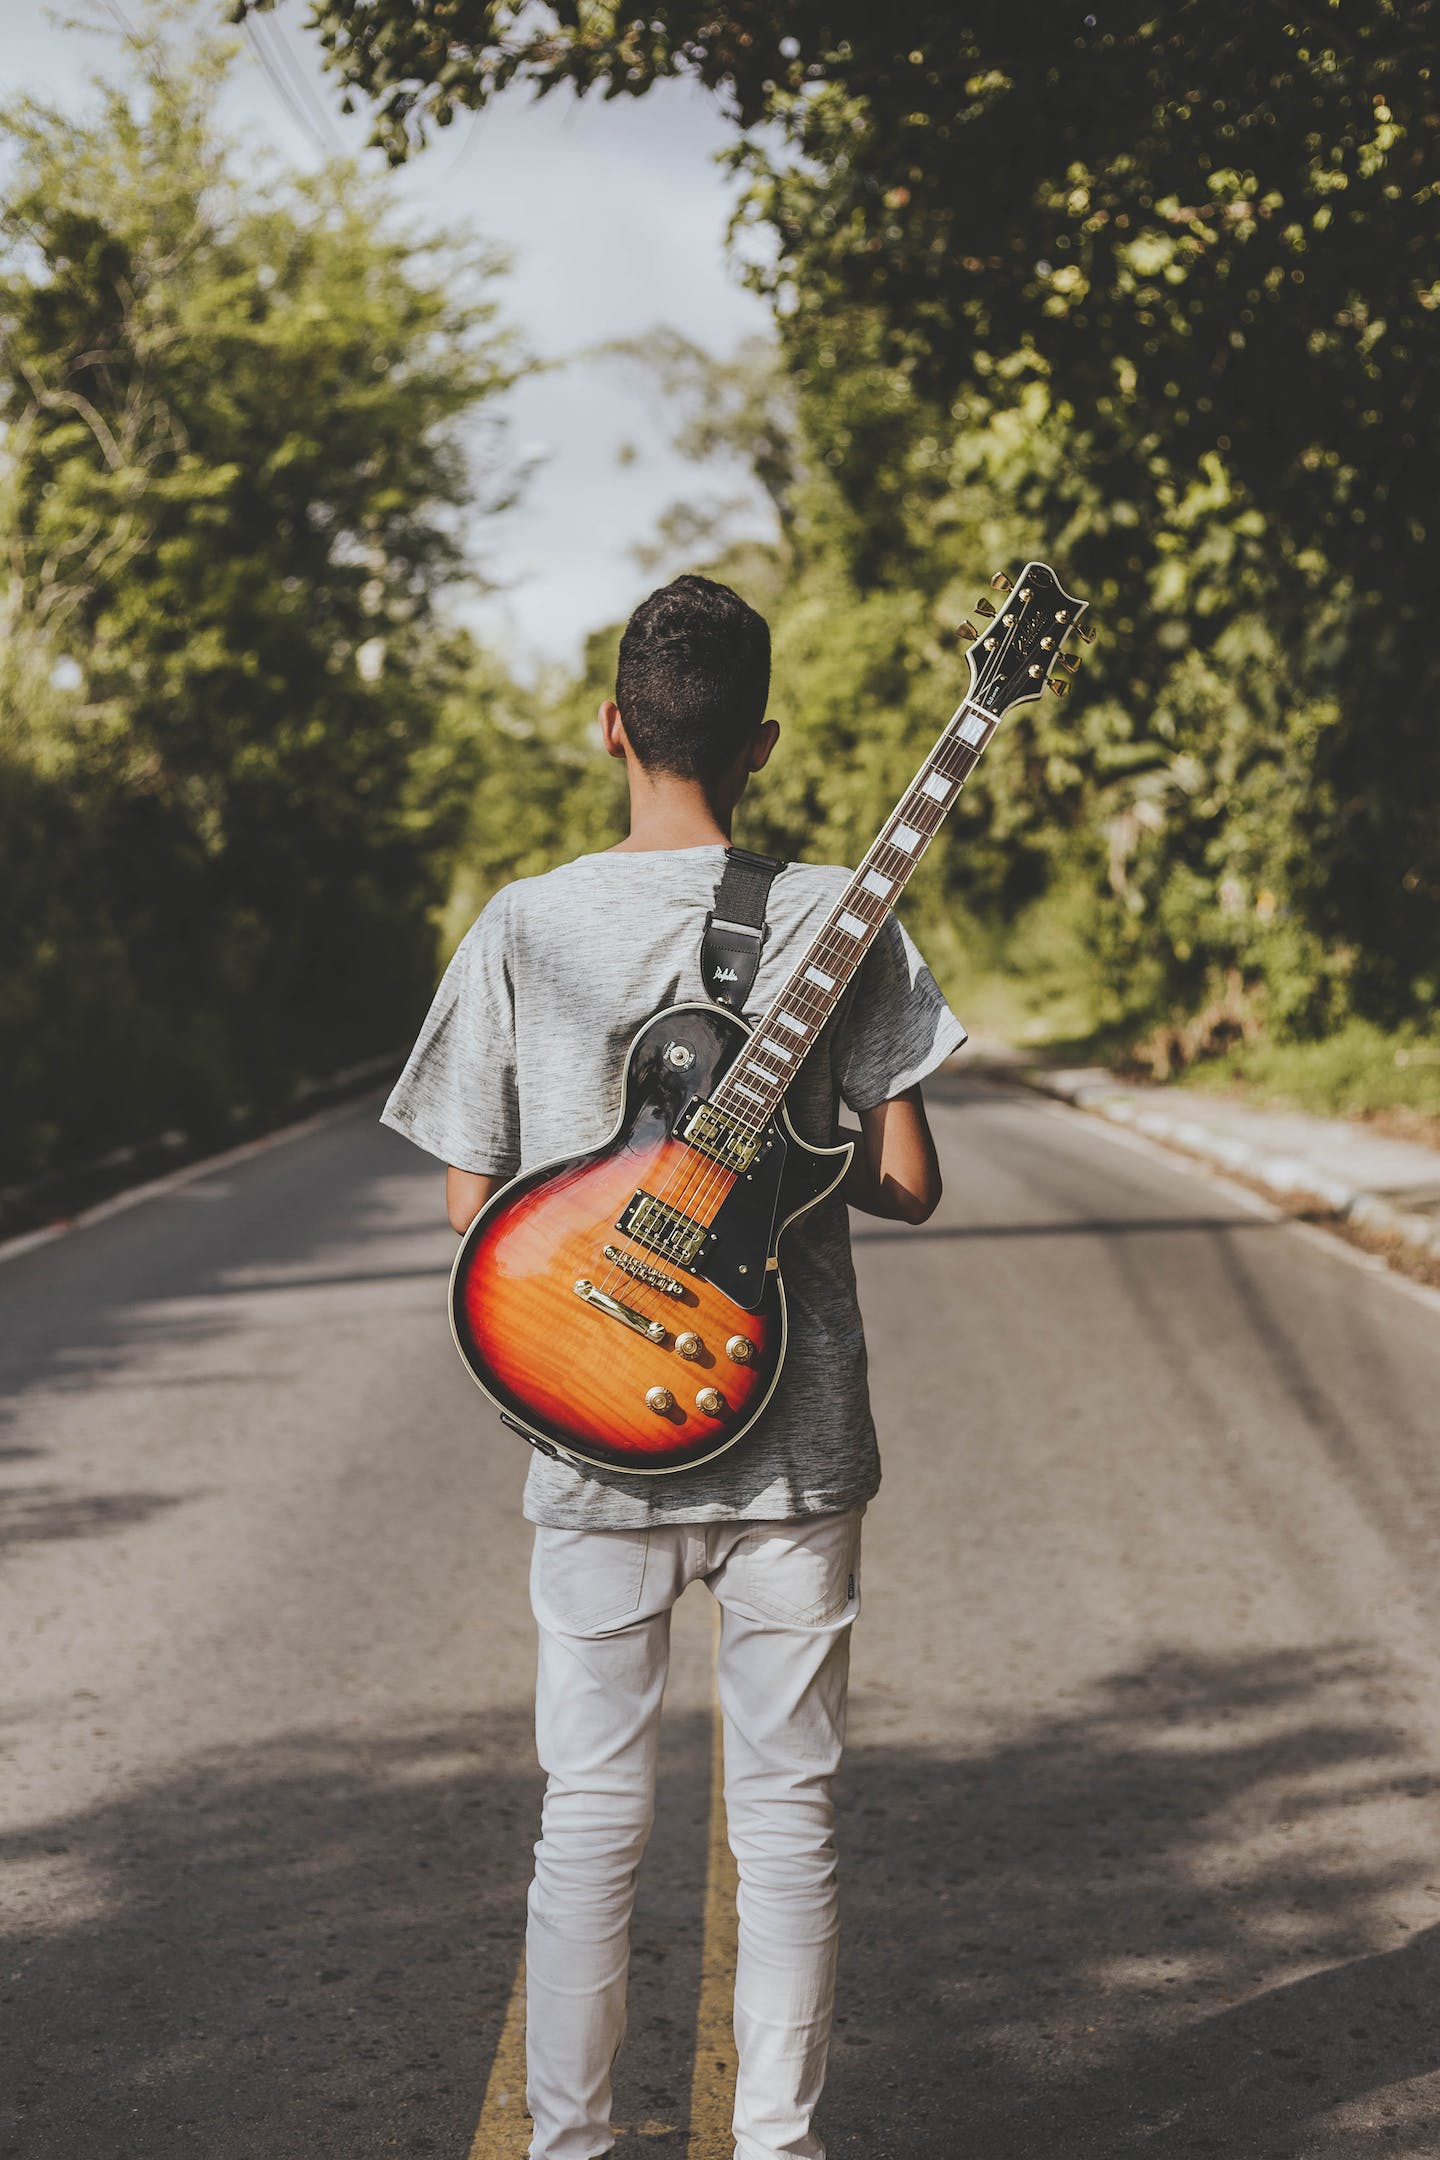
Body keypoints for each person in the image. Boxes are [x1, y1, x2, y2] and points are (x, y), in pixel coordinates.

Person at [380, 574, 966, 2160]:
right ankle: (780, 2147)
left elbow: (469, 1202)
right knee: (787, 1818)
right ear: (762, 743)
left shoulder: (523, 921)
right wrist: (810, 1153)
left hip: (588, 1437)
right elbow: (906, 1181)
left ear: (609, 726)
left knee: (588, 1823)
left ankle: (569, 2147)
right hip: (795, 1445)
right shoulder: (849, 911)